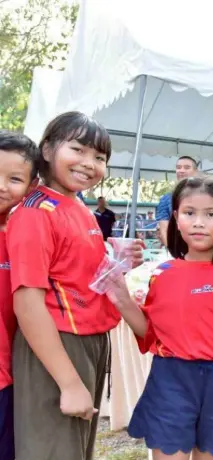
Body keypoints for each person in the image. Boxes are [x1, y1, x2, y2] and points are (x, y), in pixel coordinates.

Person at [104, 176, 213, 460]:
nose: (198, 223)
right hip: (170, 378)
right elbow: (150, 333)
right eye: (189, 213)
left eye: (211, 214)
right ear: (176, 218)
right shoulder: (162, 274)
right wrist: (121, 297)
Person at [7, 112, 144, 460]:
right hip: (58, 342)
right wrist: (68, 383)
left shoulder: (77, 206)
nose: (89, 163)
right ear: (48, 150)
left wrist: (116, 258)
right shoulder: (36, 212)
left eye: (99, 157)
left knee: (75, 449)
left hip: (88, 340)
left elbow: (74, 271)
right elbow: (27, 302)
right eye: (78, 150)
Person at [0, 131, 41, 459]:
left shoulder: (26, 235)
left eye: (14, 179)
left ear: (32, 186)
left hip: (13, 377)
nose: (1, 186)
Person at [156, 155, 198, 247]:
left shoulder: (206, 195)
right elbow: (164, 229)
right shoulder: (166, 199)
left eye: (187, 167)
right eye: (178, 167)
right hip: (178, 248)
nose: (181, 170)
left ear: (195, 171)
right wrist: (172, 251)